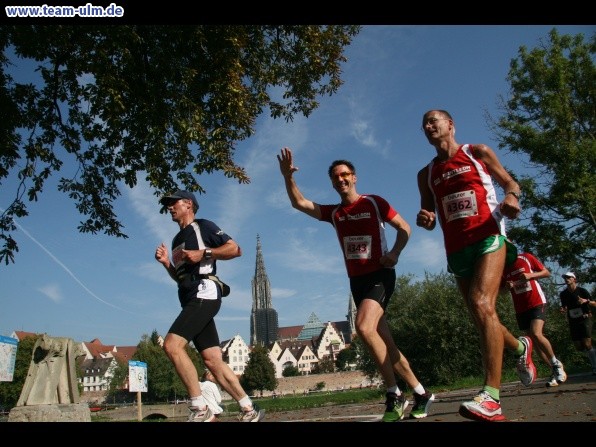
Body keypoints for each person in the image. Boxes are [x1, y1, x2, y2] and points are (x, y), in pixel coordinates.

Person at [277, 147, 435, 422]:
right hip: (357, 281)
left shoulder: (374, 203)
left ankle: (393, 394)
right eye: (336, 177)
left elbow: (405, 228)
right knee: (385, 342)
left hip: (380, 275)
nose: (341, 180)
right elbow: (299, 203)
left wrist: (395, 253)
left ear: (354, 177)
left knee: (362, 327)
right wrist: (287, 177)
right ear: (333, 182)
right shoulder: (335, 213)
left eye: (345, 174)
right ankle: (421, 392)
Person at [416, 109, 536, 422]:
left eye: (434, 121)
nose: (428, 127)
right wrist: (425, 218)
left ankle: (492, 398)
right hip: (456, 249)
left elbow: (511, 182)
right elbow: (428, 215)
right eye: (424, 124)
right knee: (481, 316)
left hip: (488, 236)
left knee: (482, 304)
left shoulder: (477, 152)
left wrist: (511, 197)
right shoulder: (425, 174)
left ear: (451, 125)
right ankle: (521, 348)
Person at [155, 189, 265, 422]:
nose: (169, 208)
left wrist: (203, 252)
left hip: (205, 292)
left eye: (173, 203)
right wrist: (167, 264)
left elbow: (235, 249)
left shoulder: (202, 226)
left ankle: (199, 408)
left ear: (189, 204)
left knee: (172, 346)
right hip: (188, 295)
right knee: (212, 360)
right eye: (168, 205)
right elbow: (182, 277)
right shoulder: (177, 239)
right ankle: (249, 409)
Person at [502, 251, 567, 387]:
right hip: (520, 308)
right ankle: (553, 370)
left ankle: (556, 364)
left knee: (536, 333)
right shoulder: (502, 267)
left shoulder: (525, 257)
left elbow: (546, 273)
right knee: (534, 341)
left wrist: (530, 275)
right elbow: (501, 290)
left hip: (536, 302)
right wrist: (506, 287)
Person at [559, 272, 596, 375]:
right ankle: (593, 354)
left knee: (587, 343)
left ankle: (594, 366)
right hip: (573, 320)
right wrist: (562, 309)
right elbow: (564, 306)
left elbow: (594, 303)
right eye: (565, 277)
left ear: (574, 279)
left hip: (585, 318)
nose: (566, 279)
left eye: (568, 277)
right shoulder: (563, 294)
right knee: (579, 346)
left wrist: (586, 301)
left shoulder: (582, 291)